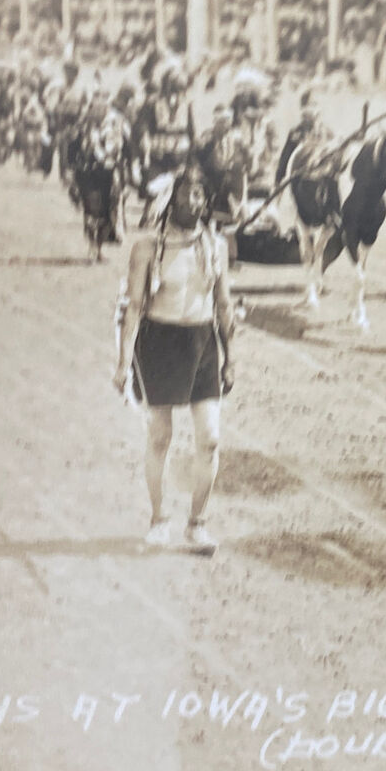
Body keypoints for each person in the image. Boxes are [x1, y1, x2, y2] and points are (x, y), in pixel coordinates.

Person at [113, 166, 237, 554]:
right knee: (160, 437)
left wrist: (231, 358)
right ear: (171, 200)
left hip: (203, 344)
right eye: (186, 195)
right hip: (159, 344)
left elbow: (223, 304)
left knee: (210, 439)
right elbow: (134, 307)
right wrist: (122, 362)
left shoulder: (215, 247)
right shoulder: (147, 249)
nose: (193, 202)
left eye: (199, 195)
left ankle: (197, 524)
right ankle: (158, 520)